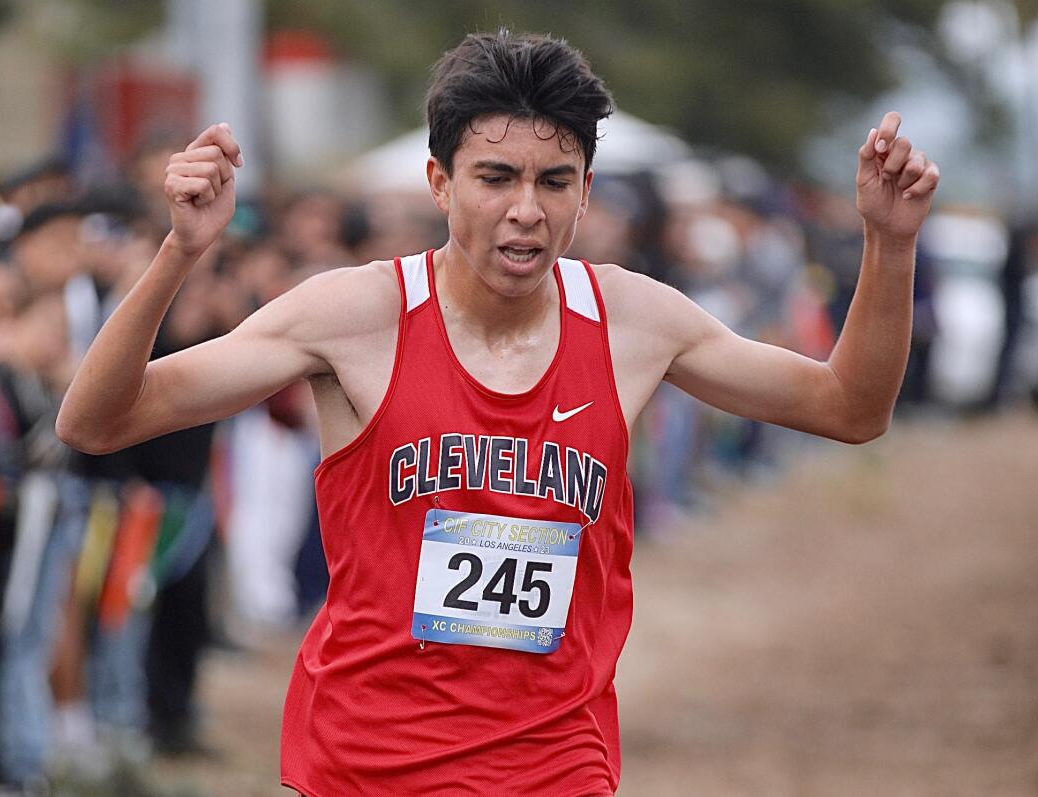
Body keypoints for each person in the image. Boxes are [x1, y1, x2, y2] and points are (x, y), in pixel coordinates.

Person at [57, 30, 940, 796]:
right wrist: (179, 251)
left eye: (555, 180)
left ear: (586, 192)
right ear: (440, 182)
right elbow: (97, 422)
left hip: (557, 762)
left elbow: (849, 408)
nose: (526, 211)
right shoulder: (352, 316)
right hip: (367, 764)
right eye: (496, 177)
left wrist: (889, 243)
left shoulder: (633, 322)